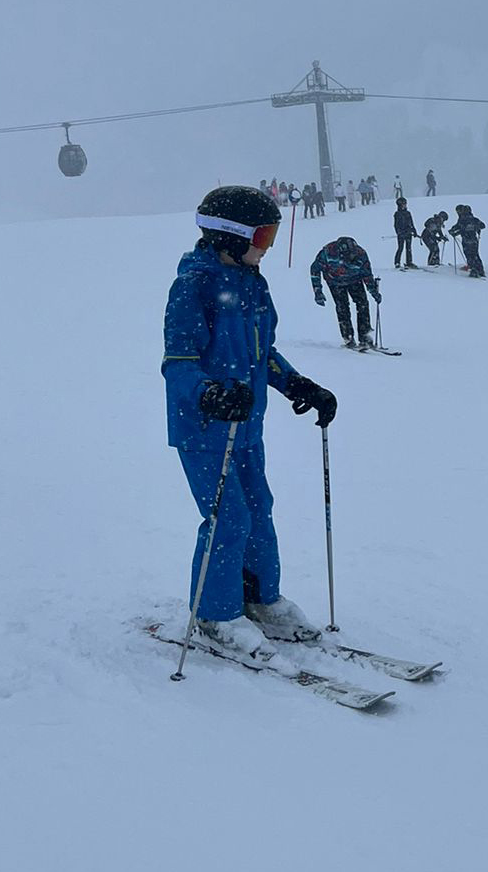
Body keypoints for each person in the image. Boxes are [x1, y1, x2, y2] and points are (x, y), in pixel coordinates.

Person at [163, 186, 338, 664]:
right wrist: (209, 394)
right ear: (230, 236)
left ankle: (261, 599)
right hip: (204, 429)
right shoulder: (194, 286)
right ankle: (215, 614)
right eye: (263, 236)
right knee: (229, 517)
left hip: (246, 427)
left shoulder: (252, 282)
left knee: (259, 509)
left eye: (272, 234)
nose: (268, 246)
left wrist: (297, 384)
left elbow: (263, 354)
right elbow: (178, 362)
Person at [311, 236, 381, 348]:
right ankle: (348, 337)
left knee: (363, 304)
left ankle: (365, 337)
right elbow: (315, 269)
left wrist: (373, 291)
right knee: (342, 307)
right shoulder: (327, 252)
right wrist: (317, 290)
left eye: (353, 254)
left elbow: (367, 274)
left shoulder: (361, 254)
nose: (351, 257)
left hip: (355, 280)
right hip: (335, 282)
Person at [449, 204, 486, 277]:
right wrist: (476, 228)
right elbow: (483, 225)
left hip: (466, 240)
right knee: (475, 255)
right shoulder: (474, 219)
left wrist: (453, 231)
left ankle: (474, 270)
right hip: (474, 240)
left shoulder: (462, 220)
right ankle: (480, 270)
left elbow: (460, 228)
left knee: (469, 256)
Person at [393, 197, 418, 269]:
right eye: (403, 204)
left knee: (408, 248)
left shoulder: (408, 213)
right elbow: (396, 225)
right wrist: (399, 233)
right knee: (400, 248)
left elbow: (411, 223)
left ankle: (409, 262)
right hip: (401, 234)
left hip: (408, 233)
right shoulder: (397, 214)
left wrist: (414, 231)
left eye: (405, 204)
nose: (405, 205)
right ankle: (397, 262)